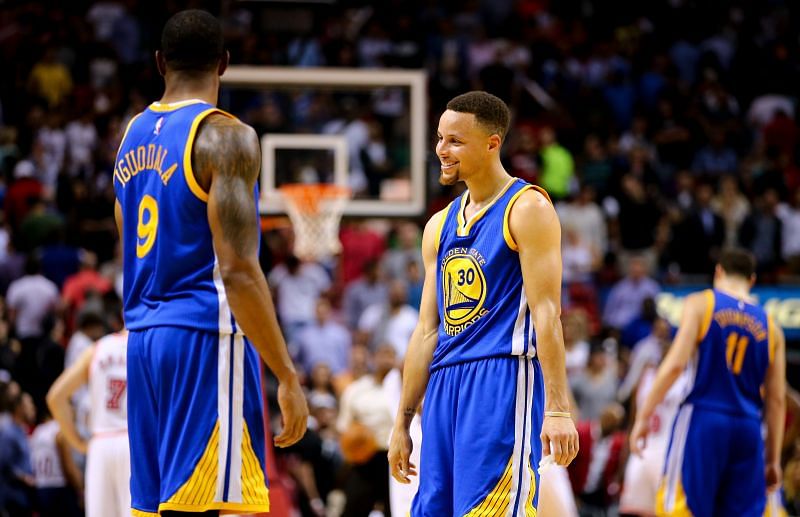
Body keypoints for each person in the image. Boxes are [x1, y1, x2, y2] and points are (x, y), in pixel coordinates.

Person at [112, 10, 307, 516]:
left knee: (165, 508)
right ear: (224, 63)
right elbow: (239, 269)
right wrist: (285, 374)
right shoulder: (225, 137)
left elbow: (127, 241)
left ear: (159, 63)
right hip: (202, 335)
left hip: (143, 340)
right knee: (205, 506)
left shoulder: (131, 135)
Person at [388, 91, 578, 515]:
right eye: (439, 138)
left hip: (503, 379)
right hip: (443, 386)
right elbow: (426, 331)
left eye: (455, 141)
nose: (441, 149)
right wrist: (401, 423)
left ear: (492, 143)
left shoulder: (527, 208)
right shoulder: (438, 225)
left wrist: (559, 408)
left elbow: (548, 314)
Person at [630, 248, 786, 516]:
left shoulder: (702, 303)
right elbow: (776, 399)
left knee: (682, 508)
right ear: (752, 280)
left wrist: (643, 416)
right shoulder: (772, 327)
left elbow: (675, 365)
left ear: (718, 272)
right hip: (748, 427)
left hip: (704, 417)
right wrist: (772, 459)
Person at [47, 331, 130, 517]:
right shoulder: (149, 346)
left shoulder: (97, 349)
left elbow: (55, 397)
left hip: (99, 444)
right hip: (134, 444)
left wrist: (78, 443)